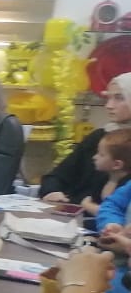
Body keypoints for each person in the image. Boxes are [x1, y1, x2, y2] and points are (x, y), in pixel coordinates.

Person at [42, 73, 131, 205]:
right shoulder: (99, 136)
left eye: (119, 98)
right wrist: (52, 191)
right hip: (71, 208)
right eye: (108, 98)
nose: (109, 105)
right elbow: (59, 175)